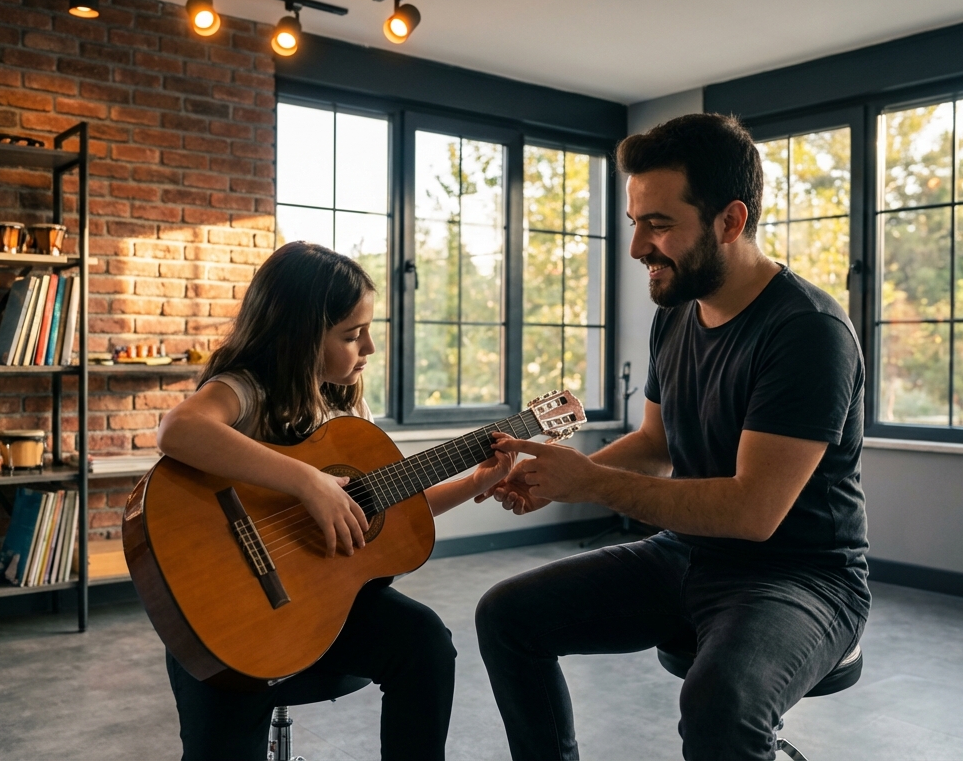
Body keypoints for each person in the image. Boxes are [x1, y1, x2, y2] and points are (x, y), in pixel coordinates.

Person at [475, 114, 870, 761]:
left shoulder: (807, 332)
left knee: (720, 702)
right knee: (507, 616)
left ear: (730, 222)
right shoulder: (677, 314)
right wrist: (558, 477)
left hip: (802, 579)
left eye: (658, 225)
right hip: (686, 555)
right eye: (635, 221)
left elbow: (753, 512)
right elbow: (656, 443)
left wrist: (591, 481)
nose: (636, 247)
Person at [155, 241, 514, 761]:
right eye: (351, 334)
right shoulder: (246, 389)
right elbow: (178, 429)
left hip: (323, 610)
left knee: (426, 645)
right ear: (299, 336)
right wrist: (307, 482)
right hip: (231, 620)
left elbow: (381, 506)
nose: (368, 348)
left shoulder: (344, 408)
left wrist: (476, 482)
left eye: (367, 331)